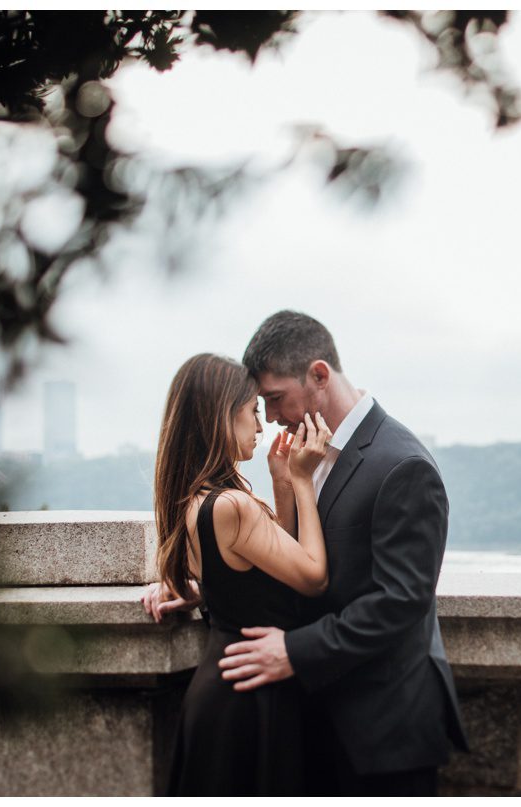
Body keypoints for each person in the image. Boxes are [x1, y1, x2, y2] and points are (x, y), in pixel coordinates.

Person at [149, 311, 468, 795]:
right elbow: (276, 558)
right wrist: (205, 584)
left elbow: (402, 600)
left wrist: (294, 652)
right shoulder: (302, 458)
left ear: (318, 375)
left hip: (380, 732)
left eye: (274, 399)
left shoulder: (401, 464)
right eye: (260, 405)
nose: (270, 418)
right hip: (304, 722)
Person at [143, 352, 332, 796]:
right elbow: (312, 576)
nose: (262, 426)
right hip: (247, 696)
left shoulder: (200, 501)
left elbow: (268, 568)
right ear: (220, 418)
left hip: (226, 688)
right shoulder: (232, 506)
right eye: (252, 412)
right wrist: (305, 481)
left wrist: (282, 482)